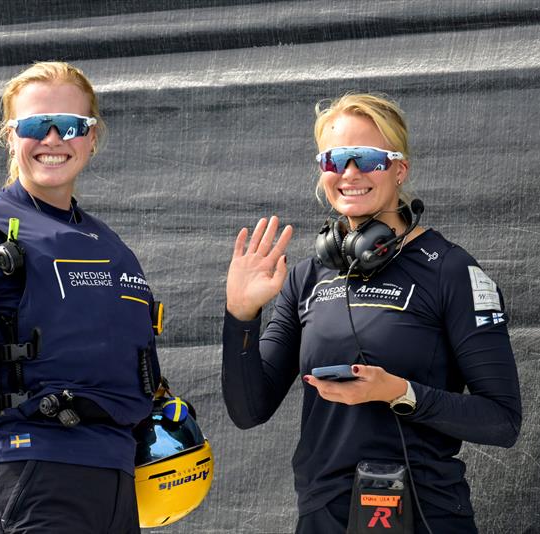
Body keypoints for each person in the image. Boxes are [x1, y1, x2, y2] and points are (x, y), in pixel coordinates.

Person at [222, 93, 522, 533]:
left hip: (425, 512)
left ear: (400, 168)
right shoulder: (308, 277)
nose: (349, 173)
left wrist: (398, 392)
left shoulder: (451, 270)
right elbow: (249, 410)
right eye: (335, 159)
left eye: (366, 158)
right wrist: (241, 314)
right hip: (324, 514)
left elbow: (502, 421)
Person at [0, 61, 160, 534]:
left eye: (69, 125)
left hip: (119, 485)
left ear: (92, 136)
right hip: (32, 476)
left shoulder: (110, 245)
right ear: (9, 135)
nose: (53, 139)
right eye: (35, 125)